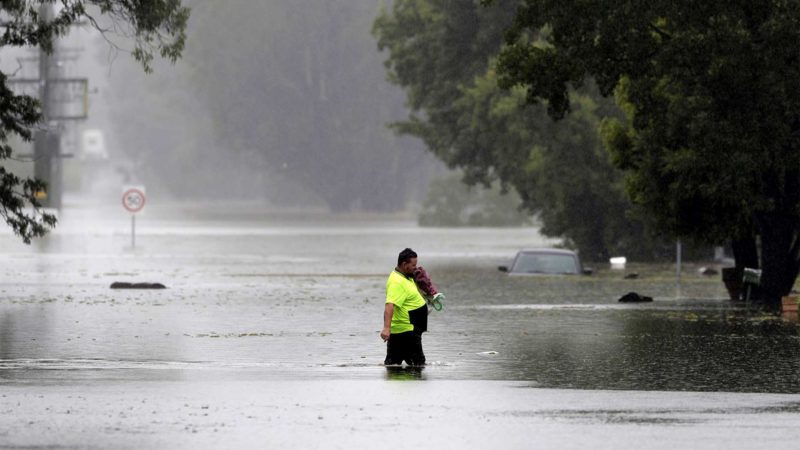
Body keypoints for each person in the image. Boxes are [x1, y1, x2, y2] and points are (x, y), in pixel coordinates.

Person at [381, 248, 428, 366]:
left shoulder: (406, 276)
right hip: (407, 332)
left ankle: (399, 383)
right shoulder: (396, 282)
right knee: (418, 366)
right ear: (404, 264)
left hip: (407, 330)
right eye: (413, 265)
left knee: (392, 365)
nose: (415, 267)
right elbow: (389, 305)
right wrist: (386, 328)